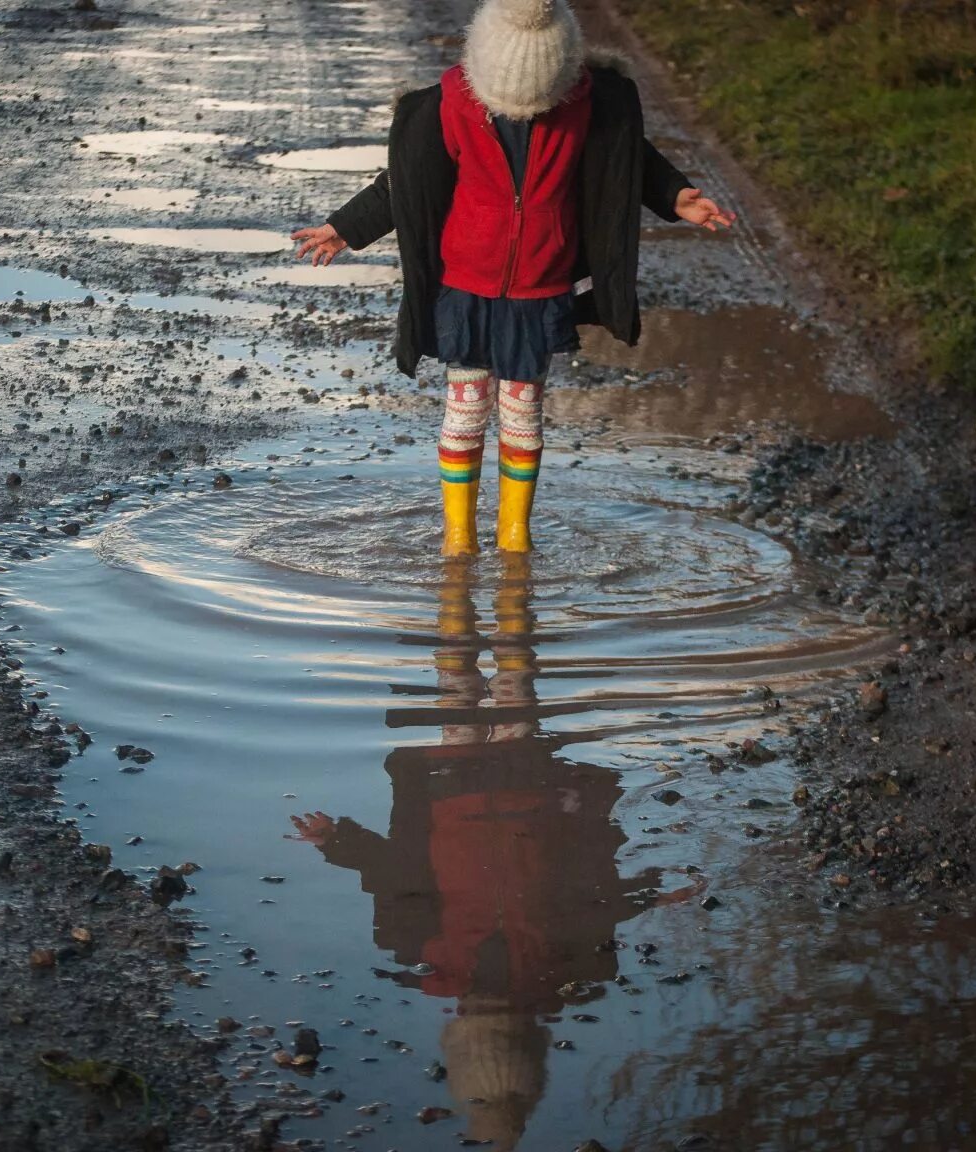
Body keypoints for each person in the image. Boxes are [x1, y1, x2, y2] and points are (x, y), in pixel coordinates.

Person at [291, 0, 734, 556]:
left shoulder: (585, 102)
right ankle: (459, 535)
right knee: (466, 406)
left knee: (523, 409)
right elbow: (403, 182)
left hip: (539, 287)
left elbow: (630, 160)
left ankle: (514, 532)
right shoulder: (453, 103)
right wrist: (344, 228)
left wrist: (675, 196)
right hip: (466, 285)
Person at [289, 557, 705, 1148]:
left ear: (458, 1027)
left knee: (459, 695)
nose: (492, 1001)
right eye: (505, 1017)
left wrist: (339, 841)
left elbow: (394, 873)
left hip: (450, 796)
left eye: (483, 1017)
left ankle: (457, 600)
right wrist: (655, 890)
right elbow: (600, 900)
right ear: (530, 1030)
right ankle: (515, 598)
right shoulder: (567, 966)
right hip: (527, 797)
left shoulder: (421, 950)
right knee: (515, 691)